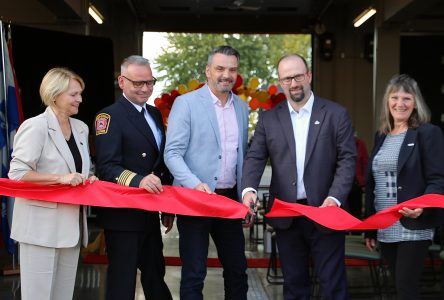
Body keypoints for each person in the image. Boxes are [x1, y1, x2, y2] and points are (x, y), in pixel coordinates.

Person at [242, 53, 356, 300]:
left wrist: (335, 198)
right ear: (280, 82)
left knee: (332, 285)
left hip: (326, 212)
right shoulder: (268, 118)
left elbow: (347, 160)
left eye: (298, 76)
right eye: (287, 79)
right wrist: (248, 189)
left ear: (309, 76)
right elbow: (254, 157)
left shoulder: (336, 114)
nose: (293, 83)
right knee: (294, 285)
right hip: (287, 216)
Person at [164, 45, 249, 300]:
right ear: (208, 71)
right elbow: (172, 153)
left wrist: (246, 197)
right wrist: (194, 184)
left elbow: (243, 158)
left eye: (232, 69)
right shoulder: (186, 103)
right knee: (194, 272)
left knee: (237, 269)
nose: (226, 75)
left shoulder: (243, 108)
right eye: (220, 68)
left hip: (229, 200)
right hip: (195, 200)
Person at [8, 67, 96, 300]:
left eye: (80, 94)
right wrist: (60, 178)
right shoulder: (35, 126)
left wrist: (88, 179)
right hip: (40, 230)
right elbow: (17, 173)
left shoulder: (81, 128)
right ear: (54, 95)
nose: (80, 99)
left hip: (72, 228)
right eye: (74, 94)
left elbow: (76, 170)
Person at [94, 55, 173, 300]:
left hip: (150, 211)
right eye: (138, 83)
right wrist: (139, 180)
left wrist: (168, 207)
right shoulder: (108, 117)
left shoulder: (154, 113)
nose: (145, 88)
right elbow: (106, 167)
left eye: (150, 82)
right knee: (122, 283)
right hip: (123, 215)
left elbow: (161, 162)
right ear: (122, 82)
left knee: (155, 277)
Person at [364, 74, 444, 300]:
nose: (400, 103)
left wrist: (423, 206)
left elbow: (437, 178)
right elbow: (373, 183)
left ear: (415, 102)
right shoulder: (382, 136)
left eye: (407, 98)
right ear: (387, 102)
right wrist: (370, 227)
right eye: (395, 97)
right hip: (385, 224)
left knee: (405, 286)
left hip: (414, 223)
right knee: (395, 286)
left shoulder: (428, 133)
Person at [347, 131, 369, 220]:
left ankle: (356, 230)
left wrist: (364, 181)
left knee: (356, 209)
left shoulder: (360, 144)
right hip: (341, 181)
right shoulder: (337, 142)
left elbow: (365, 163)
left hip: (356, 182)